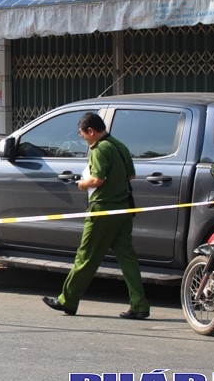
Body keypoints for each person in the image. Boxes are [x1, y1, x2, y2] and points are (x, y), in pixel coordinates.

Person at [42, 112, 150, 320]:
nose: (83, 138)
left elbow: (97, 179)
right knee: (127, 259)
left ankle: (67, 300)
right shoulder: (119, 145)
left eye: (83, 134)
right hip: (123, 210)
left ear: (91, 131)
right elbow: (131, 175)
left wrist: (81, 183)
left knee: (86, 256)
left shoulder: (100, 148)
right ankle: (139, 305)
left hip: (102, 210)